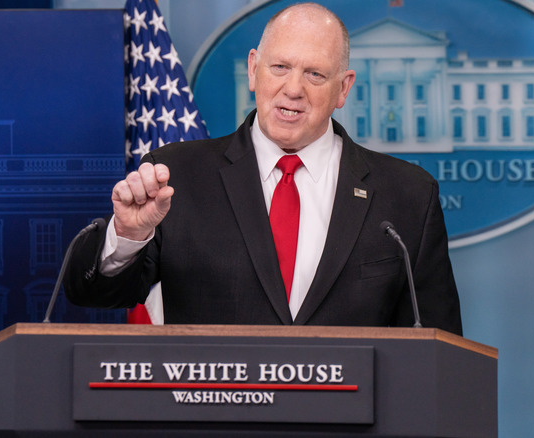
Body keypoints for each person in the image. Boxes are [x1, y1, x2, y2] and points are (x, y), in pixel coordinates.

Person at [64, 2, 463, 335]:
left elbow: (438, 352)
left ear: (343, 88)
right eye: (280, 67)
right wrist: (128, 236)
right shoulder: (177, 176)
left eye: (315, 74)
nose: (293, 89)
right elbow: (97, 294)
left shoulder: (408, 195)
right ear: (254, 69)